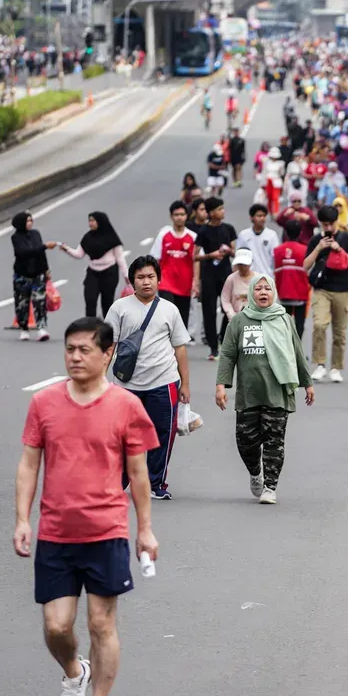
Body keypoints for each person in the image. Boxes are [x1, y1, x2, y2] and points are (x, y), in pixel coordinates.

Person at [14, 315, 160, 696]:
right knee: (57, 626)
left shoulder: (126, 407)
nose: (75, 357)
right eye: (70, 349)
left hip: (107, 530)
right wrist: (23, 519)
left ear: (107, 353)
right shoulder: (44, 403)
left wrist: (146, 530)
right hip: (56, 533)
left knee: (101, 623)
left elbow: (138, 473)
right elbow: (28, 465)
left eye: (84, 350)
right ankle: (75, 674)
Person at [216, 274, 315, 505]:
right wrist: (221, 385)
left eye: (267, 289)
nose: (263, 293)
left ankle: (270, 487)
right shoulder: (239, 321)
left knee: (274, 441)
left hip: (277, 392)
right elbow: (228, 355)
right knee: (245, 441)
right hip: (248, 393)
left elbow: (297, 352)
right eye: (258, 289)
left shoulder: (285, 320)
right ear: (251, 293)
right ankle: (255, 472)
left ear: (273, 293)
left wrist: (307, 383)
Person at [103, 257, 191, 500]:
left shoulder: (169, 310)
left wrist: (185, 384)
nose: (146, 282)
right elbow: (108, 345)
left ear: (159, 280)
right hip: (126, 385)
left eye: (151, 277)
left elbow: (180, 347)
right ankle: (117, 482)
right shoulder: (119, 308)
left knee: (163, 434)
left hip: (164, 382)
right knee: (121, 435)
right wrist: (100, 380)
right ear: (132, 281)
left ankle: (156, 483)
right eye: (140, 277)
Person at [304, 205, 348, 383]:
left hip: (342, 289)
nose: (328, 228)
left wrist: (340, 250)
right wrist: (319, 248)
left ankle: (336, 367)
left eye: (330, 224)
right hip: (322, 289)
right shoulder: (316, 240)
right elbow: (305, 265)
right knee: (319, 325)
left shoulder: (346, 239)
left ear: (337, 221)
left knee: (339, 331)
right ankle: (320, 364)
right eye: (324, 225)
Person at [193, 197, 239, 360]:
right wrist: (210, 255)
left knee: (229, 308)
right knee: (209, 311)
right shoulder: (203, 230)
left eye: (223, 208)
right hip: (208, 274)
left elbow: (235, 252)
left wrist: (229, 252)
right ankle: (213, 347)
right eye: (219, 209)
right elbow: (195, 256)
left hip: (225, 273)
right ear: (211, 213)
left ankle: (223, 337)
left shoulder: (229, 229)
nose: (223, 212)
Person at [60, 212, 126, 318]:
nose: (90, 223)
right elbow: (79, 254)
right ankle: (90, 328)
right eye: (89, 221)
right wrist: (66, 249)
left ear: (100, 222)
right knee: (90, 301)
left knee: (107, 304)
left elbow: (120, 259)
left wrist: (127, 277)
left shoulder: (112, 238)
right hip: (93, 273)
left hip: (109, 273)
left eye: (92, 221)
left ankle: (108, 328)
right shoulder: (87, 237)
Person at [149, 201, 199, 329]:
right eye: (176, 214)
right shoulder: (163, 235)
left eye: (182, 214)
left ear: (187, 216)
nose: (179, 217)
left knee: (181, 321)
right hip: (166, 282)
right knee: (168, 314)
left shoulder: (192, 237)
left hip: (185, 284)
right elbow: (155, 259)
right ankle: (166, 344)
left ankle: (177, 346)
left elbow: (196, 260)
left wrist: (196, 282)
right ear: (171, 217)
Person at [11, 211, 58, 342]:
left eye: (31, 220)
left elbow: (41, 253)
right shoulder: (16, 238)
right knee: (22, 302)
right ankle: (24, 328)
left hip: (38, 273)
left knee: (40, 301)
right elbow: (22, 253)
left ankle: (41, 328)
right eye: (28, 221)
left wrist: (46, 269)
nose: (30, 223)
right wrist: (44, 246)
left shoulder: (36, 234)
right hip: (22, 275)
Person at [274, 220, 310, 337]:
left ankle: (286, 352)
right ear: (300, 233)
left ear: (285, 232)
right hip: (301, 294)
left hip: (283, 293)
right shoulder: (305, 250)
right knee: (299, 326)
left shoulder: (277, 250)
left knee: (285, 326)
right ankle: (296, 352)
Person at [235, 203, 279, 279]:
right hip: (248, 278)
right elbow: (239, 256)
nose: (262, 218)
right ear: (251, 218)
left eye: (264, 216)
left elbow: (275, 257)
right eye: (259, 216)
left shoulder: (272, 235)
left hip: (267, 277)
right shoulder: (244, 235)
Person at [221, 248, 255, 341]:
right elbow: (225, 298)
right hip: (234, 318)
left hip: (254, 320)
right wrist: (231, 314)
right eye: (239, 264)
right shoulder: (231, 279)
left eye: (245, 265)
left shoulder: (258, 279)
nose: (242, 267)